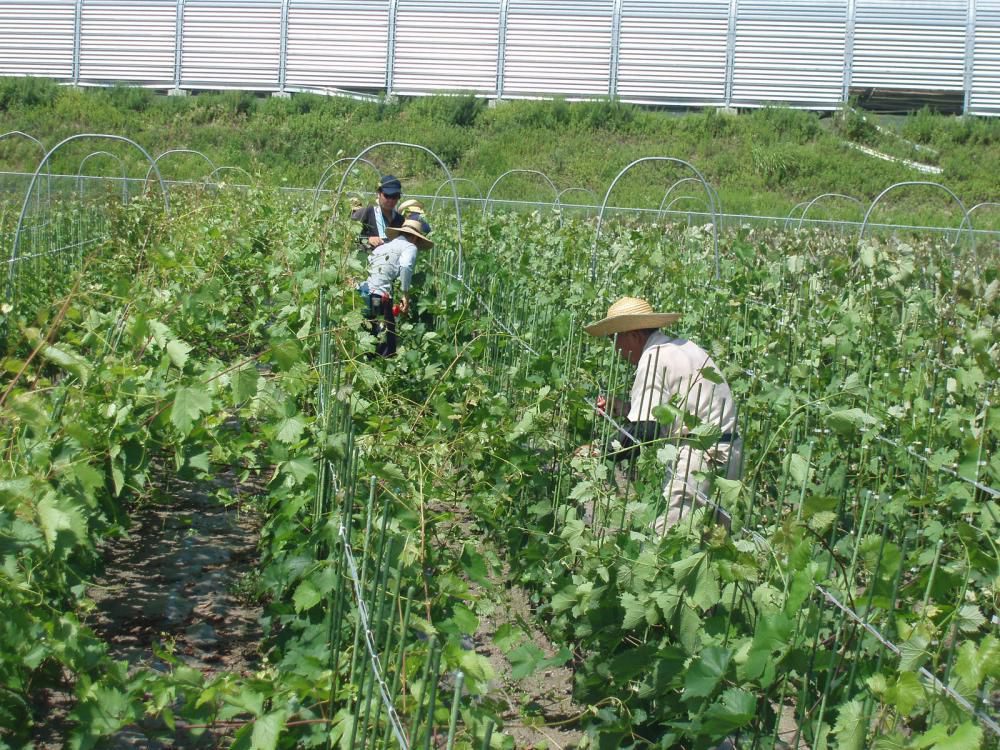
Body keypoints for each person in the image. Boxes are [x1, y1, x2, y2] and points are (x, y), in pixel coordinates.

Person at [583, 296, 742, 533]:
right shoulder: (684, 347)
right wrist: (623, 408)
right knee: (714, 540)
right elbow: (668, 413)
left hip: (699, 459)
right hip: (730, 452)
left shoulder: (653, 357)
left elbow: (646, 430)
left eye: (615, 341)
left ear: (633, 336)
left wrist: (600, 452)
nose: (616, 351)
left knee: (667, 541)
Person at [357, 215, 433, 357]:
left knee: (371, 334)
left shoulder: (384, 247)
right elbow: (406, 266)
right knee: (386, 340)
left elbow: (370, 263)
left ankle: (369, 362)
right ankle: (383, 368)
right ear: (415, 238)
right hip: (379, 295)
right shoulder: (410, 246)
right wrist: (405, 293)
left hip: (365, 291)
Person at [351, 174, 405, 251]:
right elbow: (348, 236)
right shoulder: (366, 212)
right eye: (387, 196)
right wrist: (368, 239)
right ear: (379, 194)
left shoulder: (400, 220)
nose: (391, 200)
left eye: (395, 196)